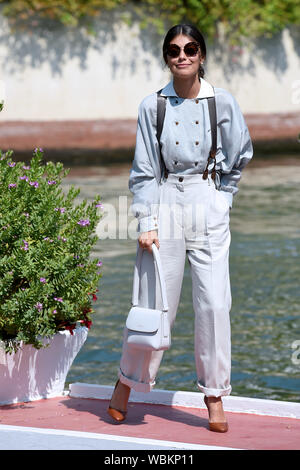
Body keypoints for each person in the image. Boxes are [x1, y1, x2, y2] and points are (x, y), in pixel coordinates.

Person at [108, 24, 253, 433]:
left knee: (213, 305)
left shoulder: (222, 102)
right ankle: (126, 383)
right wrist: (147, 221)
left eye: (191, 49)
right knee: (154, 304)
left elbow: (239, 153)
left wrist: (222, 199)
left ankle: (214, 394)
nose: (182, 56)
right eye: (174, 50)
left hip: (208, 202)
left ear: (202, 55)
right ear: (167, 56)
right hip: (165, 201)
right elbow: (143, 172)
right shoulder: (151, 106)